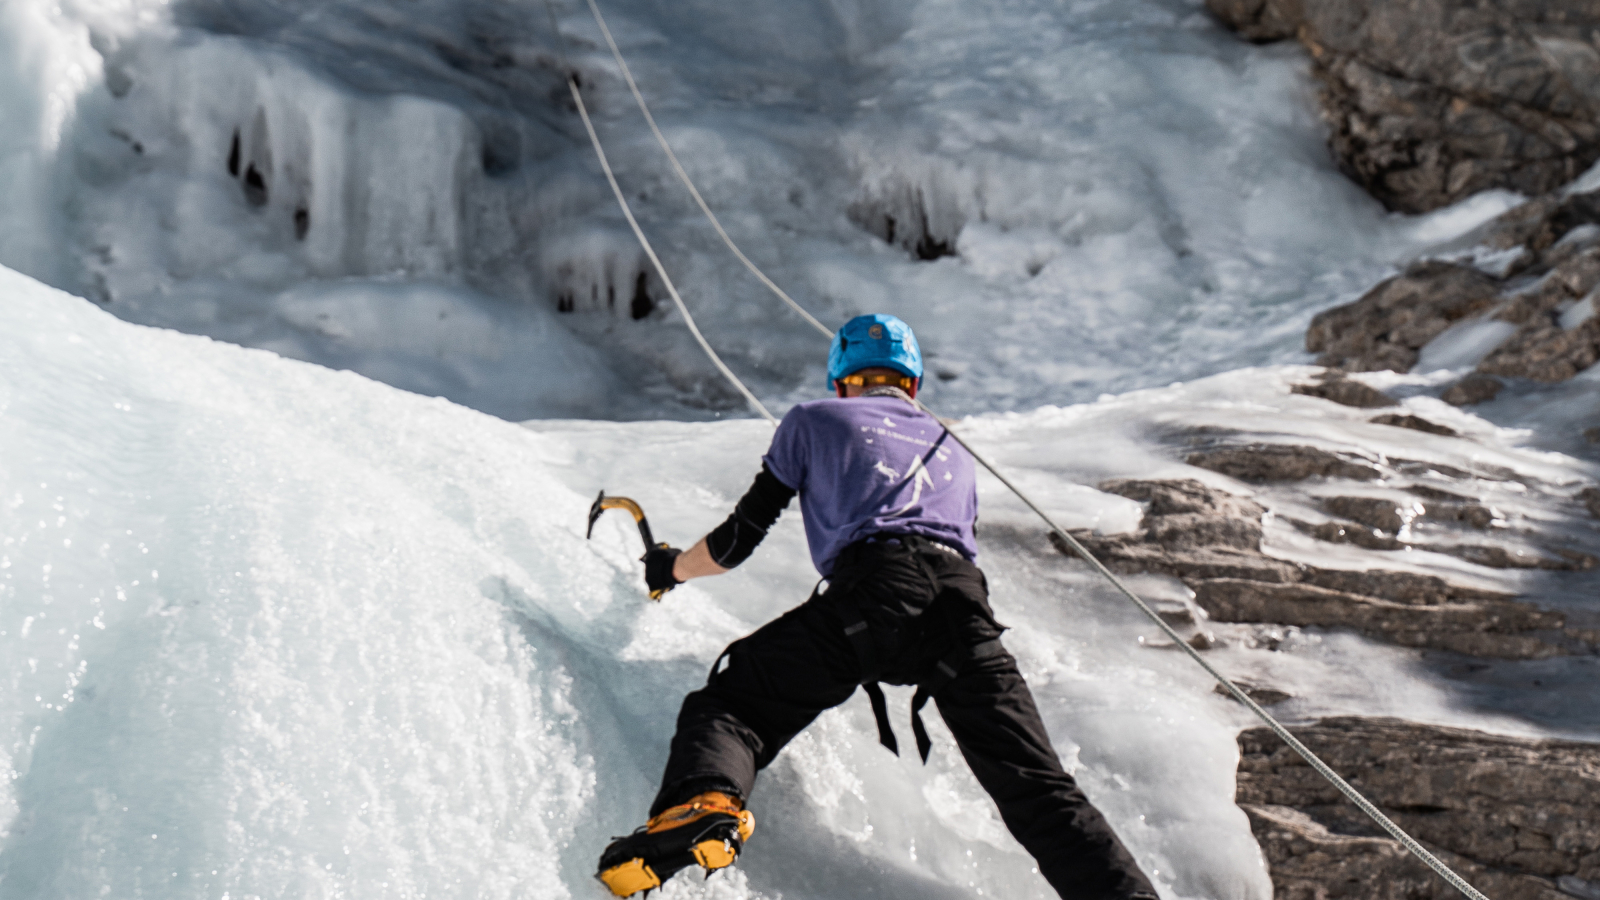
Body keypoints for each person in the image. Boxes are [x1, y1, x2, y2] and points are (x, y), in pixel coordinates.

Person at [596, 314, 1158, 900]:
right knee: (1040, 791)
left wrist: (671, 568)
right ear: (912, 382)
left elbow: (738, 542)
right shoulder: (954, 451)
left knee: (736, 706)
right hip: (963, 609)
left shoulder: (814, 419)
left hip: (874, 594)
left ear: (842, 378)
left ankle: (706, 804)